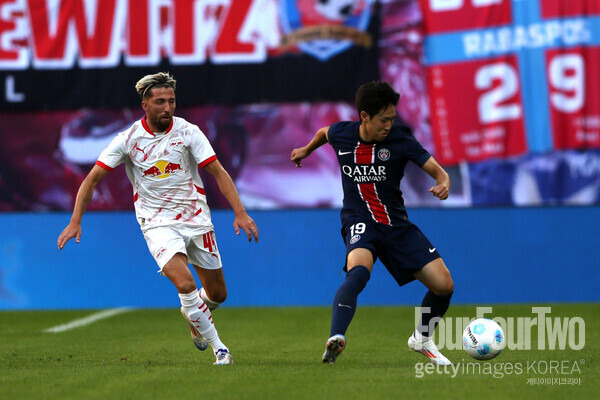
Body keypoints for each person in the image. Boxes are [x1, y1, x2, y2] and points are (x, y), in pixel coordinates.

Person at [57, 72, 259, 365]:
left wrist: (240, 212)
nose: (167, 107)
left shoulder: (188, 132)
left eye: (172, 101)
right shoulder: (128, 140)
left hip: (197, 219)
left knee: (216, 294)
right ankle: (220, 349)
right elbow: (92, 179)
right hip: (157, 223)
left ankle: (193, 316)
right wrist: (76, 220)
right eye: (160, 102)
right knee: (185, 284)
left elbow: (217, 172)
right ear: (145, 105)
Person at [290, 81, 454, 366]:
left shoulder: (401, 139)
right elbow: (324, 133)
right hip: (359, 220)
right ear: (364, 116)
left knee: (444, 286)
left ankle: (422, 339)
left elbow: (438, 171)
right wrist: (306, 149)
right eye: (384, 119)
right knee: (359, 271)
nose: (389, 125)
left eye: (392, 118)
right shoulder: (343, 133)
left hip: (396, 225)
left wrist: (444, 183)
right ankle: (336, 338)